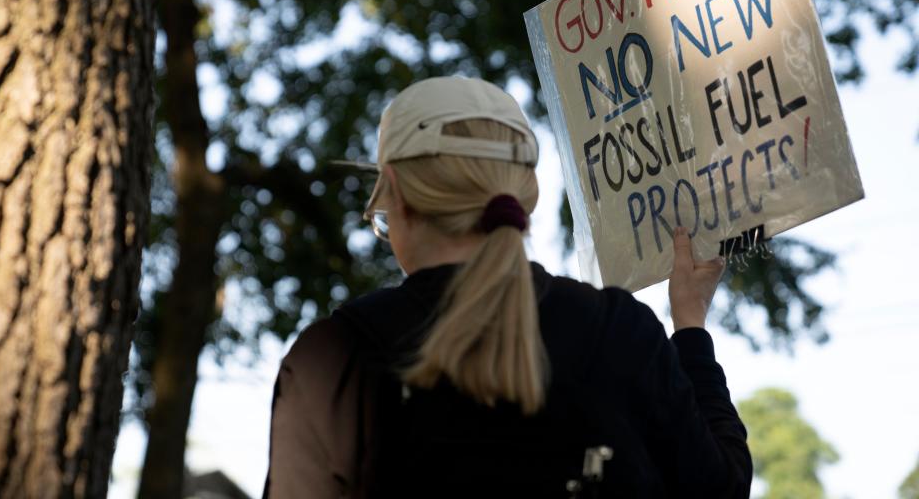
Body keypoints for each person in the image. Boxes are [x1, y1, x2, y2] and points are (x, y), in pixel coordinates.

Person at [263, 76, 752, 498]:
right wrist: (689, 328)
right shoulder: (617, 330)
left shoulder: (328, 362)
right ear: (523, 195)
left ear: (396, 192)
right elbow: (719, 488)